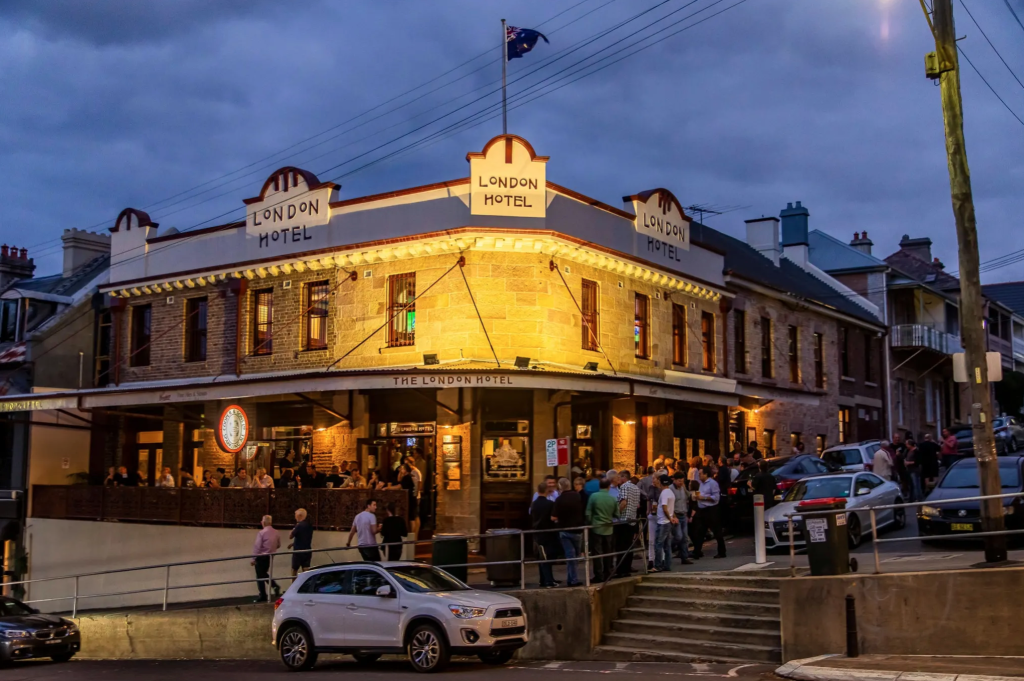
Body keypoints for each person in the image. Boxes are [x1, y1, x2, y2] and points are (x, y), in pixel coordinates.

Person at [584, 477, 620, 583]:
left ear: (599, 486)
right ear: (609, 487)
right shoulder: (612, 499)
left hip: (596, 527)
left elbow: (588, 513)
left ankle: (599, 575)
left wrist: (591, 522)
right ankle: (608, 573)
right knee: (608, 552)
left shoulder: (593, 497)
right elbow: (617, 514)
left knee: (597, 553)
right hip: (609, 528)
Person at [552, 477, 584, 587]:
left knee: (570, 556)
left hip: (565, 530)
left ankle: (572, 579)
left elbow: (553, 517)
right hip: (577, 530)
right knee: (575, 556)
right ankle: (572, 579)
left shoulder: (559, 499)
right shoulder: (577, 496)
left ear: (560, 487)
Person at [529, 482, 559, 588]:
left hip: (537, 533)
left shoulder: (534, 504)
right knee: (548, 557)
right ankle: (549, 581)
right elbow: (554, 518)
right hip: (548, 533)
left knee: (541, 557)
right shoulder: (550, 504)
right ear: (546, 490)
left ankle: (543, 580)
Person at [692, 467, 726, 559]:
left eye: (700, 474)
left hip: (711, 510)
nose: (699, 476)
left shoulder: (712, 483)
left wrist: (704, 498)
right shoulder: (701, 484)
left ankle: (722, 552)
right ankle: (697, 551)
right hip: (701, 509)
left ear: (706, 474)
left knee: (716, 531)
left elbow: (716, 498)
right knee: (699, 531)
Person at [615, 470, 640, 577]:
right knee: (629, 546)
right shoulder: (636, 487)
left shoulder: (624, 487)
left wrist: (617, 513)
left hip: (624, 519)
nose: (618, 480)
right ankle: (627, 568)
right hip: (632, 519)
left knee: (621, 546)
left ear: (623, 477)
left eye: (619, 477)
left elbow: (623, 502)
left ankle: (621, 570)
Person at [252, 515, 281, 603]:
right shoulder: (276, 532)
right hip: (270, 557)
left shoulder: (262, 533)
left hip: (261, 557)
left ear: (263, 522)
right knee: (263, 573)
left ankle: (263, 595)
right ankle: (274, 586)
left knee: (259, 576)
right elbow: (279, 544)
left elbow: (257, 546)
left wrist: (253, 558)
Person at [653, 474, 676, 572]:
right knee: (667, 546)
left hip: (663, 522)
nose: (656, 482)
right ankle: (667, 565)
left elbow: (665, 507)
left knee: (658, 544)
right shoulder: (670, 492)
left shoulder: (664, 493)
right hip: (667, 522)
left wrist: (670, 517)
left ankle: (657, 565)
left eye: (658, 480)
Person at [670, 471, 693, 564]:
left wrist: (684, 487)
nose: (681, 483)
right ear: (674, 480)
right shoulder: (671, 489)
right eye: (679, 481)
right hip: (676, 515)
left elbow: (688, 497)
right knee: (678, 536)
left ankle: (684, 557)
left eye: (682, 481)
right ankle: (668, 547)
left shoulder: (682, 488)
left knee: (685, 538)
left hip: (683, 514)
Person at [289, 508, 314, 576]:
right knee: (306, 570)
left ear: (299, 516)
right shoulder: (309, 525)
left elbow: (290, 536)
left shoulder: (299, 525)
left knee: (294, 570)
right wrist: (293, 544)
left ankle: (294, 585)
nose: (295, 517)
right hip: (307, 550)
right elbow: (305, 538)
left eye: (295, 515)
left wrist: (294, 528)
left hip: (298, 551)